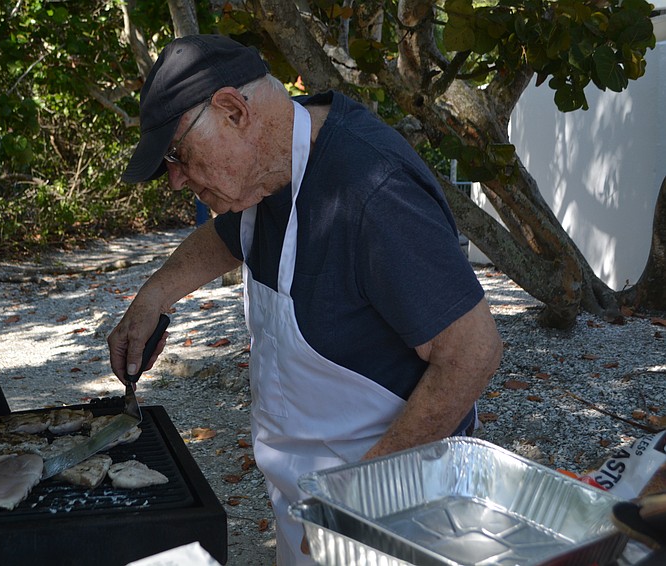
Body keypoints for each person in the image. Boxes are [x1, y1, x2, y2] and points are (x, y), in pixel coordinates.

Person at [107, 34, 503, 565]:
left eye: (179, 156)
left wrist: (354, 503)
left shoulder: (371, 190)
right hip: (307, 500)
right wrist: (154, 295)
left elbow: (472, 353)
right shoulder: (268, 174)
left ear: (232, 111)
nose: (176, 180)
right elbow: (226, 237)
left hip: (397, 513)